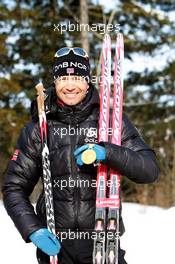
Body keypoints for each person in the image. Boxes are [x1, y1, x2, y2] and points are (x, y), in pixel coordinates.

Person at [2, 47, 160, 264]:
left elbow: (149, 170)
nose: (69, 86)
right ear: (55, 82)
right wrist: (33, 230)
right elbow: (14, 187)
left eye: (76, 77)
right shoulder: (38, 129)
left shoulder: (112, 122)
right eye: (63, 78)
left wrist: (108, 152)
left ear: (87, 82)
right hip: (56, 246)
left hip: (103, 243)